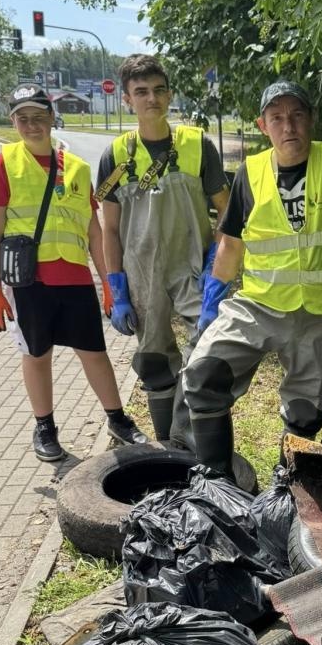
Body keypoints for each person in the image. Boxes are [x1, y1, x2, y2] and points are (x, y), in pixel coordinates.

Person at [183, 79, 322, 475]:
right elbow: (229, 243)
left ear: (311, 120)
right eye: (276, 118)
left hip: (320, 315)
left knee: (305, 415)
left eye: (297, 115)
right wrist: (211, 302)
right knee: (203, 374)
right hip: (259, 305)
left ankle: (287, 492)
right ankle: (218, 485)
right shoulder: (251, 171)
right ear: (263, 126)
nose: (288, 125)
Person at [0, 84, 147, 462]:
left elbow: (92, 230)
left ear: (52, 119)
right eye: (23, 118)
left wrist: (109, 283)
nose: (32, 125)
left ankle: (117, 419)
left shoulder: (77, 167)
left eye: (39, 117)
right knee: (37, 355)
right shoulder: (3, 164)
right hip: (28, 284)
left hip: (74, 281)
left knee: (94, 352)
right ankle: (45, 426)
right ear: (13, 122)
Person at [96, 54, 229, 447]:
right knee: (154, 357)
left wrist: (215, 270)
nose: (151, 99)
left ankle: (196, 442)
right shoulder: (115, 157)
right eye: (141, 92)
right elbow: (110, 228)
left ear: (169, 94)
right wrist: (116, 290)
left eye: (158, 90)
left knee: (205, 350)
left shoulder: (197, 145)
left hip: (192, 268)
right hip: (141, 272)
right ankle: (167, 445)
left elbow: (226, 212)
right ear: (126, 100)